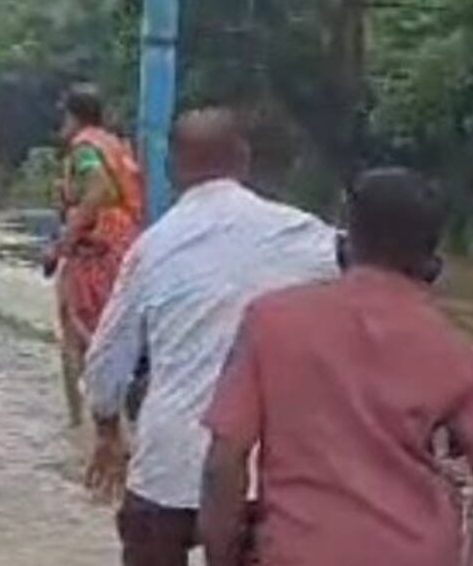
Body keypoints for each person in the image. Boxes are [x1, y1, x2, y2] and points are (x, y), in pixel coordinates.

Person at [199, 167, 473, 566]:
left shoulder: (269, 321)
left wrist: (221, 557)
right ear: (433, 265)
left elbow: (224, 462)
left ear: (344, 244)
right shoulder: (456, 353)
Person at [82, 109, 339, 566]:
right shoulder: (302, 234)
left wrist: (106, 427)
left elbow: (106, 360)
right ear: (244, 159)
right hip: (264, 476)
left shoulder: (152, 248)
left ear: (170, 169)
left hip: (167, 469)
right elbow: (381, 272)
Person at [47, 84, 145, 427]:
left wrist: (62, 242)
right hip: (124, 245)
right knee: (113, 329)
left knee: (77, 335)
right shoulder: (116, 145)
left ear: (72, 116)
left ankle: (81, 426)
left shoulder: (85, 147)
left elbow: (97, 189)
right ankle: (114, 414)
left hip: (94, 252)